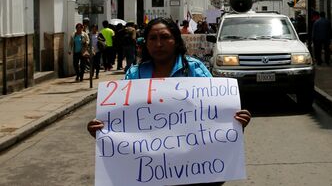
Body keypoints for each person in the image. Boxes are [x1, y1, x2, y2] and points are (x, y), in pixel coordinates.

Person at [87, 18, 251, 185]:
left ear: (176, 41)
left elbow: (215, 114)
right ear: (146, 43)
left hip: (193, 170)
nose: (159, 44)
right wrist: (101, 130)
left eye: (165, 37)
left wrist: (235, 123)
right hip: (147, 171)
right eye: (153, 38)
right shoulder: (134, 75)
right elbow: (120, 119)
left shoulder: (195, 69)